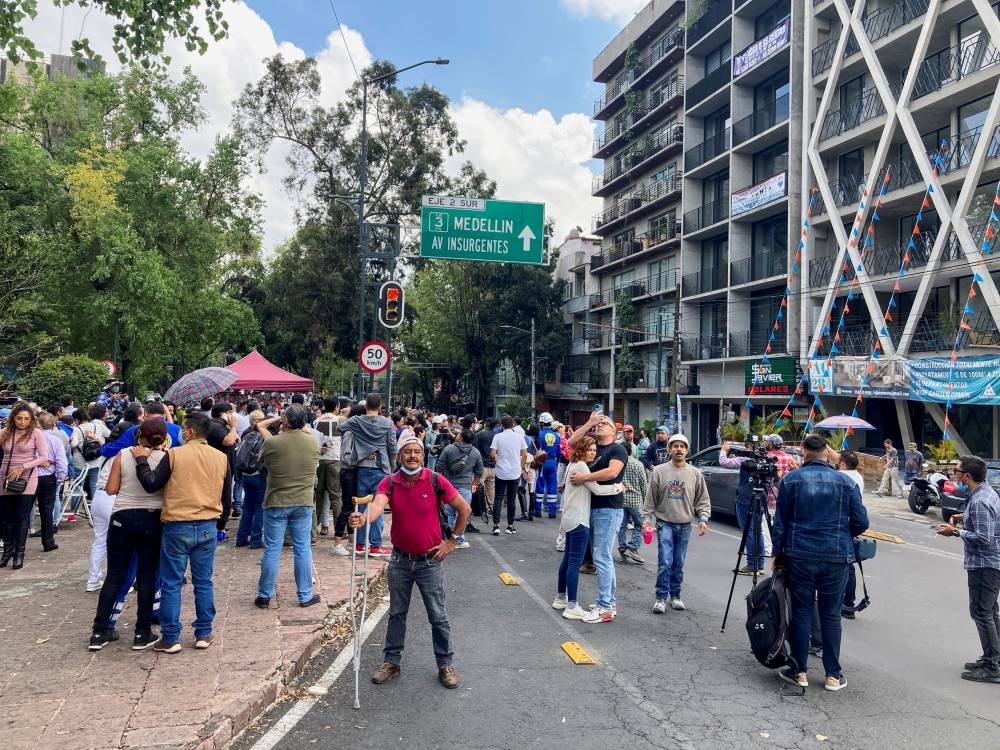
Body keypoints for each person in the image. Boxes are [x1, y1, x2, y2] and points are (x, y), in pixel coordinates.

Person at [350, 437, 471, 689]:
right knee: (397, 613)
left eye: (417, 452)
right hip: (400, 560)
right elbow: (377, 505)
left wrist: (451, 542)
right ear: (399, 457)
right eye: (407, 452)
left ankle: (445, 664)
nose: (412, 456)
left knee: (438, 615)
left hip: (429, 561)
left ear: (423, 456)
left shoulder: (436, 480)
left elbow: (464, 509)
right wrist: (363, 519)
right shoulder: (390, 482)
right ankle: (391, 661)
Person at [772, 433, 869, 691]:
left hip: (799, 556)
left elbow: (779, 523)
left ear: (803, 452)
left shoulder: (791, 480)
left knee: (802, 612)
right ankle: (833, 675)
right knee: (831, 615)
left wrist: (777, 555)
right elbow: (862, 522)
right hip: (836, 557)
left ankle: (799, 670)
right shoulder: (846, 483)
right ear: (827, 452)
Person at [133, 412, 232, 653]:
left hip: (177, 524)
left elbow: (152, 484)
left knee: (171, 583)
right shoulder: (220, 457)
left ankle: (170, 637)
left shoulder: (174, 455)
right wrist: (221, 525)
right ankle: (204, 633)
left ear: (188, 432)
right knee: (203, 582)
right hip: (208, 524)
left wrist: (141, 461)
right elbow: (226, 495)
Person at [88, 419, 169, 651]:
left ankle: (99, 631)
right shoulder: (167, 458)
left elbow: (111, 489)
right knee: (146, 577)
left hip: (122, 517)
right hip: (151, 519)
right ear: (164, 437)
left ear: (139, 434)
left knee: (114, 575)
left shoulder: (122, 454)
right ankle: (142, 632)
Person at [938, 455, 1000, 684]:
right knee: (990, 612)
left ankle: (992, 666)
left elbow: (984, 538)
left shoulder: (981, 500)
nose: (954, 474)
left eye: (957, 471)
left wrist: (955, 532)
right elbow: (992, 522)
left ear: (967, 476)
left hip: (985, 565)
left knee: (982, 613)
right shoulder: (984, 493)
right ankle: (993, 658)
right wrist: (963, 516)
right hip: (990, 563)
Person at [253, 404, 322, 609]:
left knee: (272, 549)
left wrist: (280, 421)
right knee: (302, 548)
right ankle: (304, 594)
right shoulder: (313, 442)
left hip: (276, 500)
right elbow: (308, 434)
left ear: (286, 421)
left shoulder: (273, 442)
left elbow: (261, 462)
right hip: (303, 501)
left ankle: (265, 595)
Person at [554, 436, 626, 619]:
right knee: (574, 563)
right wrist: (619, 487)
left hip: (570, 519)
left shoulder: (572, 464)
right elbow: (598, 490)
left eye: (595, 450)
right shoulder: (581, 467)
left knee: (567, 561)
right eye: (589, 449)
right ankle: (572, 606)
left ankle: (561, 597)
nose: (593, 453)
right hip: (579, 521)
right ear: (581, 450)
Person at [643, 434, 710, 613]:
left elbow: (703, 500)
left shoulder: (695, 473)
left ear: (687, 450)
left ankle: (676, 595)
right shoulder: (659, 471)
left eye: (682, 446)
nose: (679, 449)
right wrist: (646, 520)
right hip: (665, 523)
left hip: (685, 525)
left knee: (678, 562)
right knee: (665, 560)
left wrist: (703, 519)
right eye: (675, 446)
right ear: (669, 449)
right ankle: (660, 597)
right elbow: (650, 500)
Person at [338, 394, 396, 558]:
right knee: (378, 504)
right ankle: (376, 545)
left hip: (362, 466)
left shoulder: (357, 421)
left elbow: (340, 428)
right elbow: (392, 447)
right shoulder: (388, 423)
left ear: (365, 406)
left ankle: (360, 544)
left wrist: (362, 446)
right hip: (381, 466)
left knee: (361, 505)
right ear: (380, 407)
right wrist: (392, 467)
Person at [0, 402, 49, 570]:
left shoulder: (36, 433)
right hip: (4, 478)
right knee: (6, 517)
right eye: (19, 418)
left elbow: (44, 458)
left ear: (31, 420)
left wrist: (24, 466)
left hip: (27, 478)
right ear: (13, 418)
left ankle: (19, 554)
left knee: (22, 516)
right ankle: (7, 551)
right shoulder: (4, 433)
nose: (22, 422)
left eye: (26, 419)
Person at [719, 439, 763, 575]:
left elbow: (724, 462)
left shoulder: (743, 460)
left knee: (748, 531)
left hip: (745, 498)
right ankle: (759, 564)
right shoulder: (764, 461)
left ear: (749, 447)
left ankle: (751, 565)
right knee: (757, 531)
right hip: (760, 496)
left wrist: (723, 451)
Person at [438, 428, 483, 549]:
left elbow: (439, 466)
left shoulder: (449, 449)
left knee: (449, 514)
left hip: (449, 487)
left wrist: (442, 481)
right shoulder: (475, 452)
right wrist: (475, 483)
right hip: (465, 487)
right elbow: (479, 471)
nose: (456, 435)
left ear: (461, 438)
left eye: (458, 434)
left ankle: (450, 539)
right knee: (462, 514)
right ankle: (459, 540)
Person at [33, 412, 67, 552]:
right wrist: (59, 479)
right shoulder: (55, 440)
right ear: (53, 424)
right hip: (47, 478)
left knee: (25, 510)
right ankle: (48, 542)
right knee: (47, 511)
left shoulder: (31, 438)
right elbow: (62, 464)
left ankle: (19, 542)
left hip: (31, 476)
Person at [490, 414, 528, 535]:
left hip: (501, 471)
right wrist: (521, 467)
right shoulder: (519, 437)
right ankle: (510, 525)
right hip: (515, 472)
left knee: (498, 497)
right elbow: (525, 454)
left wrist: (498, 460)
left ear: (501, 425)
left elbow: (492, 454)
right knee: (512, 499)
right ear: (513, 424)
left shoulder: (497, 437)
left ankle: (496, 525)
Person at [234, 410, 267, 549]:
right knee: (260, 508)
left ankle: (241, 538)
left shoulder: (246, 435)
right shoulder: (263, 436)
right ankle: (255, 539)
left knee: (247, 507)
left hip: (246, 476)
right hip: (259, 475)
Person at [838, 450, 865, 619]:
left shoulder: (840, 477)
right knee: (850, 566)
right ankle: (849, 603)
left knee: (839, 565)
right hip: (852, 524)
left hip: (840, 524)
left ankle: (838, 601)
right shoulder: (859, 477)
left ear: (842, 464)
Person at [313, 396, 344, 539]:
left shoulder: (317, 421)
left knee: (318, 496)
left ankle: (313, 528)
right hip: (335, 461)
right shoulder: (340, 421)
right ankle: (339, 529)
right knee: (336, 496)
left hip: (319, 461)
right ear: (337, 406)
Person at [617, 442, 647, 564]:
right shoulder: (637, 464)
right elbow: (643, 484)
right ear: (631, 451)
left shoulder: (617, 463)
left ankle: (623, 550)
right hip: (636, 500)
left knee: (621, 527)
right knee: (639, 525)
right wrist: (646, 500)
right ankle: (633, 548)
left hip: (620, 499)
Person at [536, 413, 561, 518]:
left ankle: (537, 511)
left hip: (542, 462)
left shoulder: (539, 434)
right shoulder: (556, 435)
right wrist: (557, 463)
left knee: (540, 485)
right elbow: (559, 451)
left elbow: (537, 450)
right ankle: (552, 512)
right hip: (553, 462)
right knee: (552, 486)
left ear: (541, 423)